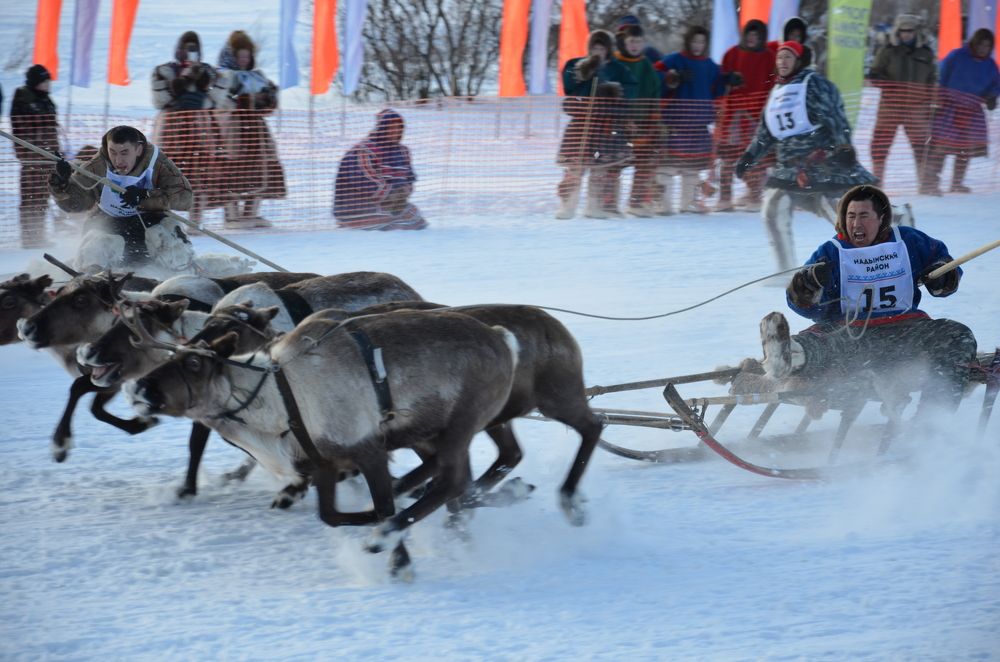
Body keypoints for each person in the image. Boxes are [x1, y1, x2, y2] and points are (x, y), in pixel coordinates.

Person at [759, 184, 977, 418]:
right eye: (851, 216)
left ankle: (934, 418)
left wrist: (942, 276)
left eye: (864, 216)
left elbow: (945, 264)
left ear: (881, 218)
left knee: (957, 335)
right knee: (825, 344)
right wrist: (806, 288)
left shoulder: (908, 241)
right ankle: (789, 354)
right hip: (854, 333)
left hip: (907, 328)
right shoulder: (832, 252)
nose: (856, 224)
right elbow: (810, 308)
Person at [734, 41, 913, 272]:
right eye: (779, 58)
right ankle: (785, 272)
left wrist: (843, 146)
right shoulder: (777, 91)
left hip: (823, 164)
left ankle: (896, 219)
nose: (782, 62)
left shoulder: (814, 84)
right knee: (773, 208)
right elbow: (766, 131)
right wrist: (749, 156)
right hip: (788, 169)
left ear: (799, 61)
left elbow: (834, 115)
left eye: (788, 57)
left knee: (842, 214)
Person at [47, 125, 195, 271]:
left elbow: (185, 198)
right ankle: (91, 280)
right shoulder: (96, 166)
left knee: (173, 241)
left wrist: (145, 196)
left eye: (124, 153)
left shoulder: (157, 162)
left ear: (138, 150)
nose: (118, 160)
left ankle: (178, 275)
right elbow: (74, 205)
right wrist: (62, 186)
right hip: (109, 222)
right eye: (113, 152)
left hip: (150, 221)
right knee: (96, 243)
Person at [555, 30, 637, 219]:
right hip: (581, 125)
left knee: (602, 168)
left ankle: (595, 205)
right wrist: (582, 72)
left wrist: (615, 92)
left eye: (602, 48)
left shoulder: (619, 69)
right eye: (595, 48)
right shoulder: (577, 63)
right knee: (575, 166)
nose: (598, 51)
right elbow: (568, 85)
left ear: (608, 49)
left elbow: (631, 89)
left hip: (606, 126)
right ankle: (568, 205)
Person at [151, 31, 226, 226]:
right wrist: (182, 82)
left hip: (201, 129)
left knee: (200, 174)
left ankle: (195, 222)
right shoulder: (164, 70)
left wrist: (201, 95)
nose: (190, 52)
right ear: (179, 49)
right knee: (165, 173)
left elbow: (218, 98)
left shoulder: (208, 72)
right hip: (172, 129)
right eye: (187, 47)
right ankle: (163, 220)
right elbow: (160, 100)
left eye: (194, 48)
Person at [216, 30, 287, 228]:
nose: (245, 60)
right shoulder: (223, 75)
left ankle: (250, 213)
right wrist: (246, 100)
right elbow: (219, 102)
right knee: (231, 170)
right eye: (241, 56)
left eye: (248, 56)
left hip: (256, 130)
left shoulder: (257, 76)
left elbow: (268, 104)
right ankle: (231, 216)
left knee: (261, 168)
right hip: (232, 129)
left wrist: (268, 97)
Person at [656, 26, 728, 215]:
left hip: (699, 125)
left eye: (702, 42)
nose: (698, 45)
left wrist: (729, 80)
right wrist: (673, 77)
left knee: (692, 169)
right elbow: (656, 75)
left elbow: (718, 85)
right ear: (688, 41)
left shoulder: (710, 65)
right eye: (695, 41)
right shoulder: (675, 60)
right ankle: (663, 204)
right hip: (676, 124)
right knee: (668, 167)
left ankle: (686, 204)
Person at [867, 14, 937, 191]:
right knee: (880, 144)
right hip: (890, 105)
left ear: (916, 32)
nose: (906, 34)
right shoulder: (888, 50)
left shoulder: (926, 53)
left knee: (922, 145)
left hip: (917, 105)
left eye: (910, 31)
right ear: (898, 31)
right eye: (903, 31)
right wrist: (880, 80)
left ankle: (926, 184)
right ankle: (877, 183)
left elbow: (933, 79)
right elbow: (875, 73)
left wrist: (934, 101)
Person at [926, 29, 1000, 195]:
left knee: (965, 148)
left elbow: (996, 83)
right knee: (942, 146)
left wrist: (992, 97)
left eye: (987, 46)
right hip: (950, 107)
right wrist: (939, 97)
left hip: (973, 110)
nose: (983, 48)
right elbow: (942, 75)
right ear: (975, 42)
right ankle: (932, 182)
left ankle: (957, 183)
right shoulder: (957, 56)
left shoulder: (990, 64)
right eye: (981, 44)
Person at [716, 19, 776, 212]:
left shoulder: (768, 57)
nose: (752, 39)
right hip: (733, 114)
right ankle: (725, 197)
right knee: (727, 157)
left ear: (761, 38)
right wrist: (727, 79)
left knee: (754, 158)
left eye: (756, 36)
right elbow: (719, 80)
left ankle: (754, 195)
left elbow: (772, 84)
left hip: (756, 116)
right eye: (749, 35)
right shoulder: (731, 54)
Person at [333, 109, 428, 231]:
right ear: (382, 129)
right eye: (391, 127)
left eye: (399, 128)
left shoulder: (402, 152)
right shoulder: (364, 151)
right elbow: (366, 182)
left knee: (416, 219)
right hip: (354, 206)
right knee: (391, 225)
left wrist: (403, 193)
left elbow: (409, 178)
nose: (395, 131)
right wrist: (391, 196)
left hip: (389, 205)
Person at [610, 24, 662, 217]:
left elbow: (655, 89)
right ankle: (608, 203)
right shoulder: (615, 62)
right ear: (624, 42)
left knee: (645, 162)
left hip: (642, 123)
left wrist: (654, 118)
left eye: (638, 42)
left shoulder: (646, 64)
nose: (635, 46)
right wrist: (622, 117)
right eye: (631, 41)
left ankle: (637, 202)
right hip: (618, 122)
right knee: (614, 163)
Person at [10, 64, 60, 248]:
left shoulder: (45, 100)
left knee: (42, 199)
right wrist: (29, 154)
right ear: (36, 81)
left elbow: (52, 130)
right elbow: (20, 130)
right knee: (30, 199)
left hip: (48, 158)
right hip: (31, 158)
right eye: (45, 81)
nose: (48, 84)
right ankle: (29, 238)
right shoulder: (23, 98)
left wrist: (56, 153)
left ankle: (38, 236)